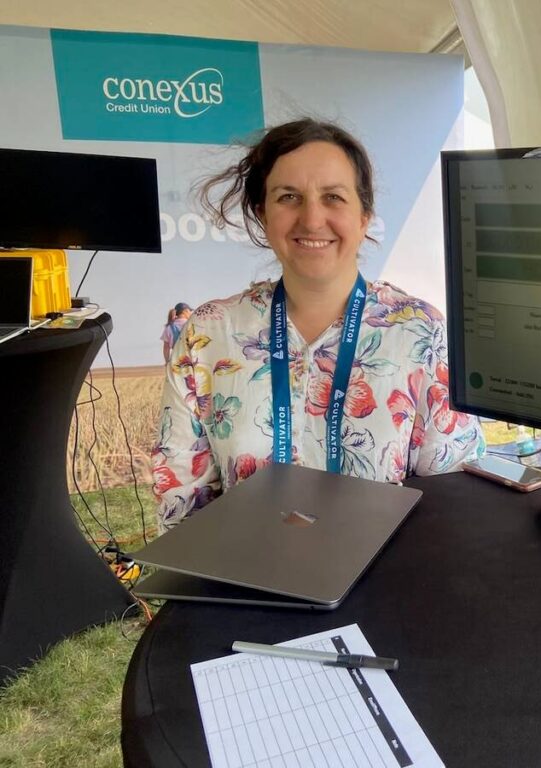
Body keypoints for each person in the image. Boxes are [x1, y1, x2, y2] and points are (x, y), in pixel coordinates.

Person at [151, 118, 485, 532]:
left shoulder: (420, 333)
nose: (311, 219)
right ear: (263, 213)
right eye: (288, 197)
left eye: (333, 197)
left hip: (386, 583)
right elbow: (181, 502)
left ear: (364, 216)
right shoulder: (208, 335)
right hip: (246, 584)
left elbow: (454, 497)